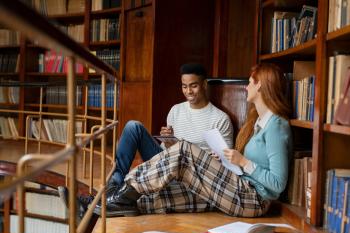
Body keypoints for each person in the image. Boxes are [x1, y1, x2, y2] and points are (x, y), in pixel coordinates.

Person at [96, 63, 293, 218]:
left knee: (184, 149)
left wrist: (242, 161)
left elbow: (277, 184)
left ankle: (120, 192)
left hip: (253, 199)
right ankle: (98, 204)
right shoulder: (257, 123)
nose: (247, 86)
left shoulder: (276, 125)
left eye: (250, 82)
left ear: (260, 85)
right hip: (235, 186)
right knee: (159, 198)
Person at [58, 63, 233, 215]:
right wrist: (167, 140)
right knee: (133, 126)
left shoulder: (220, 119)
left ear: (204, 84)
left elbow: (224, 166)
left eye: (193, 86)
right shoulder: (176, 110)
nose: (188, 91)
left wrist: (189, 150)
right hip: (167, 161)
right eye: (184, 86)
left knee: (177, 153)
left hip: (191, 173)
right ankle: (111, 189)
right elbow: (167, 150)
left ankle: (100, 200)